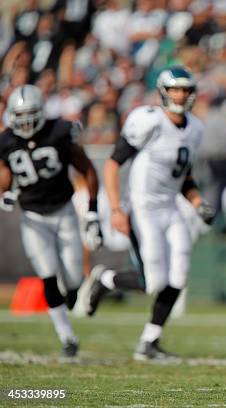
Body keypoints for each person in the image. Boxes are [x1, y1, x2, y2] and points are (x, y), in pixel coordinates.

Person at [83, 66, 215, 361]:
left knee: (178, 278)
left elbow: (185, 177)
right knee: (153, 281)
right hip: (142, 207)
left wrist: (197, 203)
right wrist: (117, 208)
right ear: (163, 92)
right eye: (175, 90)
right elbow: (113, 164)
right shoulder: (148, 121)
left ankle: (149, 342)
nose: (181, 95)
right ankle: (105, 280)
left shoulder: (195, 127)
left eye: (186, 90)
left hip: (171, 207)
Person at [0, 84, 101, 357]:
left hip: (63, 211)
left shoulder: (60, 131)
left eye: (30, 114)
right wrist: (5, 192)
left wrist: (91, 210)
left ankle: (73, 301)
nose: (25, 121)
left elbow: (87, 168)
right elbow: (5, 174)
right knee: (47, 275)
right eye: (19, 115)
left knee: (71, 280)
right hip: (33, 217)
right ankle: (67, 337)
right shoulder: (6, 141)